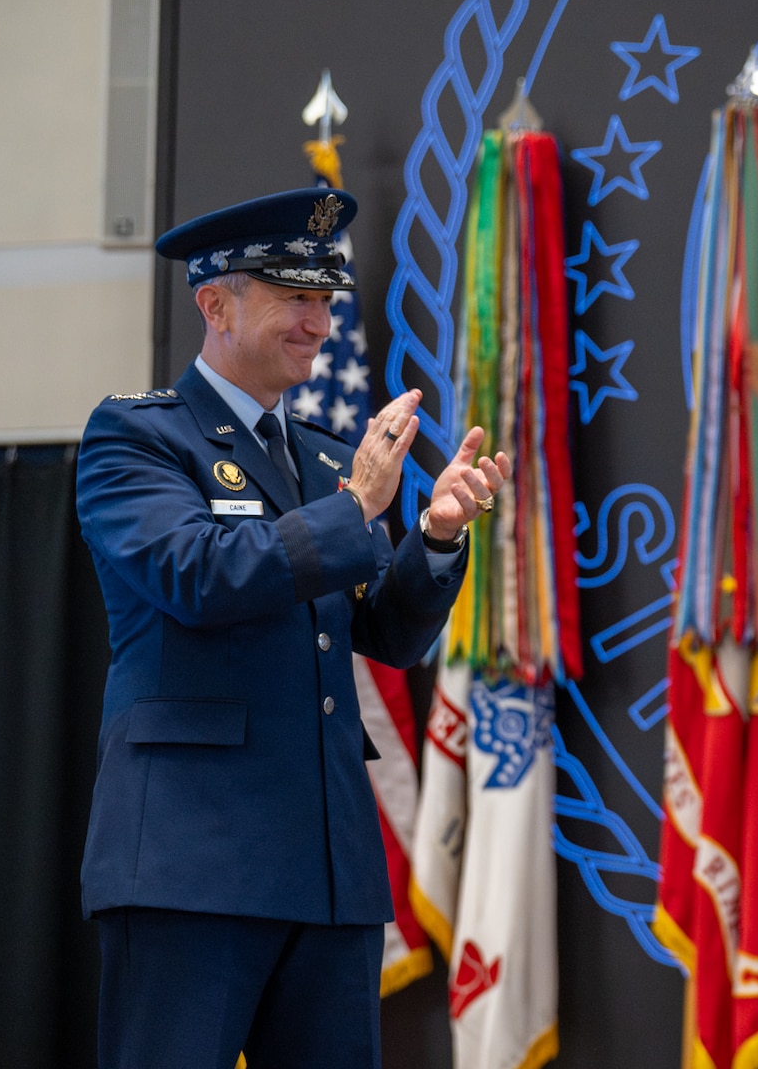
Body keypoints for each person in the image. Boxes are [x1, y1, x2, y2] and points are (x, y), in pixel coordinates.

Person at [75, 187, 511, 1069]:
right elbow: (194, 576)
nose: (317, 323)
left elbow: (384, 635)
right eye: (294, 298)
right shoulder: (137, 435)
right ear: (215, 304)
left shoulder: (320, 454)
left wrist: (434, 536)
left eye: (325, 301)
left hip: (325, 867)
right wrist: (358, 508)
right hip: (188, 867)